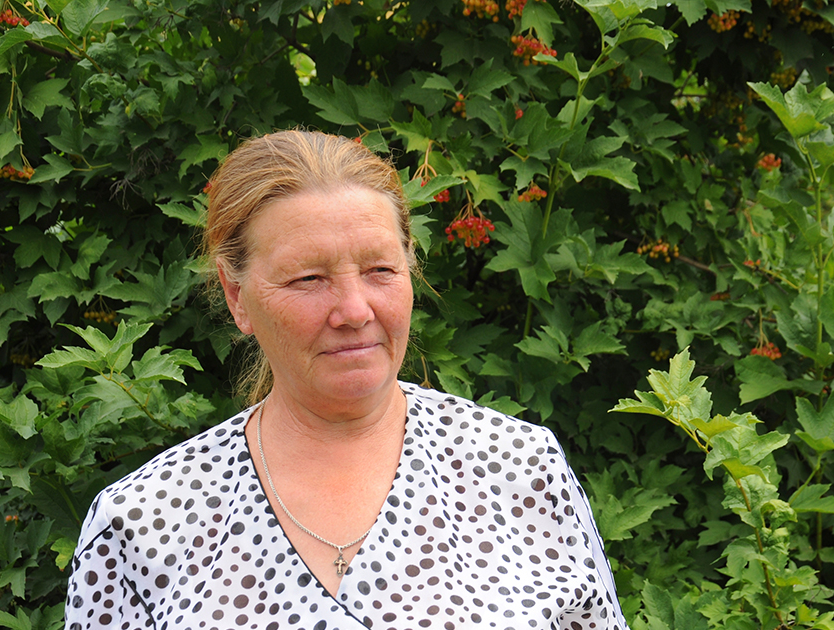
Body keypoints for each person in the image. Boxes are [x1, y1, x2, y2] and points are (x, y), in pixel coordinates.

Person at [64, 130, 627, 630]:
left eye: (380, 269)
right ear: (237, 296)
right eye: (309, 278)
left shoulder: (521, 469)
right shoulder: (143, 521)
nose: (355, 310)